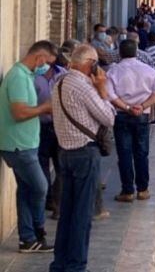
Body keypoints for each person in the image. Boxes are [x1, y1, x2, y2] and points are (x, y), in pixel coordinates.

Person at [50, 44, 116, 271]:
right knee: (81, 215)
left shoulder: (59, 82)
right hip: (84, 154)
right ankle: (76, 265)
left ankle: (59, 263)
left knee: (67, 212)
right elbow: (108, 118)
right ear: (90, 64)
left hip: (65, 153)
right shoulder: (84, 87)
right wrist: (103, 90)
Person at [0, 41, 58, 252]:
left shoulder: (27, 76)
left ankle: (28, 239)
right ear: (39, 57)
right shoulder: (17, 78)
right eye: (47, 63)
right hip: (19, 146)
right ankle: (38, 230)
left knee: (25, 190)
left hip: (26, 144)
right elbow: (19, 112)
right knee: (40, 187)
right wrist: (45, 107)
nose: (47, 68)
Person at [106, 40, 155, 202]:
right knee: (142, 153)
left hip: (122, 115)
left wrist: (126, 107)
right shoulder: (148, 70)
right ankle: (143, 189)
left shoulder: (113, 71)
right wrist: (143, 105)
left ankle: (127, 190)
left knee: (124, 154)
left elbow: (111, 95)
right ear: (137, 52)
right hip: (141, 115)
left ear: (120, 53)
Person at [34, 54, 68, 220]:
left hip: (59, 127)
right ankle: (47, 199)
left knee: (61, 167)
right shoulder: (33, 77)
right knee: (42, 165)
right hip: (40, 126)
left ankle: (58, 203)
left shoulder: (63, 75)